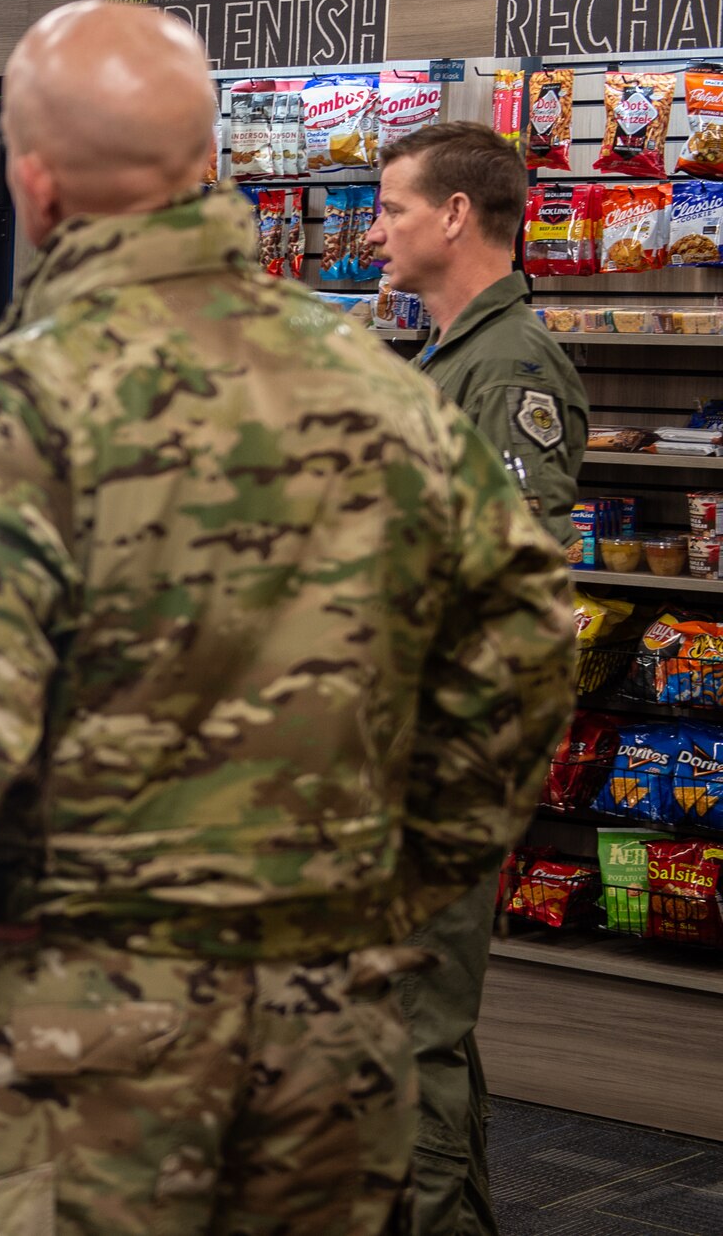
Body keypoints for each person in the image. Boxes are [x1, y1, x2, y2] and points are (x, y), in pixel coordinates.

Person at [0, 0, 577, 1236]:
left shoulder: (16, 413)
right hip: (334, 1046)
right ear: (208, 163)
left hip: (78, 1049)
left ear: (33, 182)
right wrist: (385, 888)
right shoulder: (386, 397)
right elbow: (528, 656)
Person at [366, 120, 588, 1236]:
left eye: (391, 207)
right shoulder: (451, 357)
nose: (371, 231)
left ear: (454, 214)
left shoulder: (504, 368)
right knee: (419, 1035)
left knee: (411, 1042)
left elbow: (512, 593)